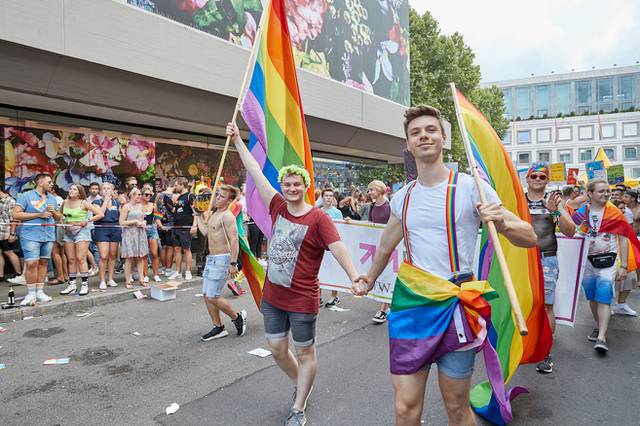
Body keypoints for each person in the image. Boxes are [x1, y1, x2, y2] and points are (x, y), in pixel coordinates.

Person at [352, 105, 537, 425]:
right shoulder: (403, 197)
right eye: (415, 132)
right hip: (412, 305)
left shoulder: (471, 188)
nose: (423, 135)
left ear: (444, 138)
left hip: (457, 306)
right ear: (408, 145)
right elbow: (385, 246)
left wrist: (503, 224)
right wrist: (368, 278)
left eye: (430, 130)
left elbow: (529, 236)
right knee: (405, 407)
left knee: (455, 406)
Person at [228, 122, 361, 426]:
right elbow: (256, 173)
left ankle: (298, 407)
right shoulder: (277, 206)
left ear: (305, 185)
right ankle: (303, 383)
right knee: (276, 349)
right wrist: (237, 141)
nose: (290, 189)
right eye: (286, 184)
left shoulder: (318, 218)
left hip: (302, 298)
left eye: (296, 184)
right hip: (274, 296)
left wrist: (354, 275)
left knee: (305, 352)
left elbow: (339, 248)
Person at [524, 163, 576, 374]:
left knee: (546, 307)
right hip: (521, 260)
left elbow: (570, 230)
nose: (537, 179)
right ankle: (523, 346)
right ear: (527, 179)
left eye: (542, 177)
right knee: (522, 304)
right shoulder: (518, 201)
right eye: (534, 176)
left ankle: (545, 353)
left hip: (546, 259)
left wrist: (556, 212)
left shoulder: (555, 202)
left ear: (547, 180)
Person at [573, 180, 634, 353]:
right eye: (601, 191)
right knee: (592, 297)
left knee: (604, 296)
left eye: (607, 191)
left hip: (608, 261)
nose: (606, 194)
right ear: (590, 193)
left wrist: (623, 266)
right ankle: (598, 326)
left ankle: (601, 337)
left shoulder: (615, 213)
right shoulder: (580, 213)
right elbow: (572, 232)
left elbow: (623, 238)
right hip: (587, 262)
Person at [199, 184, 247, 341]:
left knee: (212, 296)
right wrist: (197, 215)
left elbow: (234, 240)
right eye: (217, 194)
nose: (216, 198)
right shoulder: (214, 214)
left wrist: (233, 263)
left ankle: (237, 317)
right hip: (211, 259)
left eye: (220, 196)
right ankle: (218, 327)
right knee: (207, 295)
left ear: (229, 201)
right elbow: (206, 231)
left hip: (222, 259)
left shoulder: (227, 216)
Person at [13, 174, 63, 306]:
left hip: (48, 234)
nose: (52, 184)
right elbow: (16, 214)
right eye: (49, 182)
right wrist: (39, 214)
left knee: (44, 262)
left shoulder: (52, 198)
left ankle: (40, 291)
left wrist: (55, 213)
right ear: (40, 182)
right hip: (30, 235)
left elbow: (59, 218)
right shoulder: (26, 196)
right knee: (31, 263)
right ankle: (30, 293)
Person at [58, 184, 104, 296]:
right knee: (71, 259)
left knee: (81, 258)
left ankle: (84, 285)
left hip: (82, 231)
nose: (71, 190)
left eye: (74, 189)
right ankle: (72, 285)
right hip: (68, 231)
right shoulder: (65, 202)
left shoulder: (84, 202)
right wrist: (62, 220)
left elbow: (100, 214)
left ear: (79, 192)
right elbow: (59, 214)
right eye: (70, 188)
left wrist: (87, 220)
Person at [361, 180, 393, 324]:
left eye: (372, 190)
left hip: (390, 247)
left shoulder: (390, 206)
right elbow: (370, 225)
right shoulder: (373, 206)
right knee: (383, 275)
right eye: (369, 190)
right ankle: (389, 304)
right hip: (376, 247)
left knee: (387, 275)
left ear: (380, 190)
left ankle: (383, 309)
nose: (370, 193)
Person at [613, 189, 639, 316]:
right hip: (612, 251)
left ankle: (621, 304)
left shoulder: (627, 215)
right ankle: (607, 306)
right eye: (620, 208)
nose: (623, 210)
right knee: (611, 281)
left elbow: (629, 233)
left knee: (630, 277)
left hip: (628, 250)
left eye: (624, 208)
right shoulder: (608, 219)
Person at [92, 182, 122, 290]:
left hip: (115, 228)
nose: (106, 190)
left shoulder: (116, 202)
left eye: (108, 188)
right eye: (104, 188)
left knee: (113, 255)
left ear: (112, 190)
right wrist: (105, 201)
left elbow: (120, 217)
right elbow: (100, 214)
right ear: (100, 191)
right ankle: (102, 280)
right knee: (103, 256)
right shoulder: (97, 201)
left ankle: (110, 279)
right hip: (101, 228)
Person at [167, 177, 197, 281]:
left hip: (186, 227)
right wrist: (169, 204)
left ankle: (188, 271)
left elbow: (195, 211)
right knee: (176, 249)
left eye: (176, 185)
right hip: (176, 227)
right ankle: (178, 271)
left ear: (182, 185)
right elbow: (176, 210)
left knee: (186, 249)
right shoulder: (179, 197)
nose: (175, 187)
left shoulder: (190, 196)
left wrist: (194, 225)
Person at [318, 188, 343, 308]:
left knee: (333, 271)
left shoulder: (337, 212)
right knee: (319, 271)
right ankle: (319, 297)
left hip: (332, 245)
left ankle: (334, 296)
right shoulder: (318, 211)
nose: (328, 198)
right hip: (320, 245)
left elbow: (341, 229)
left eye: (330, 196)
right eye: (326, 195)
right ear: (322, 197)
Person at [119, 188, 149, 288]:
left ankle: (141, 278)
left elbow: (143, 219)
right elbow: (121, 222)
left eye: (140, 195)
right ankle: (128, 280)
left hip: (140, 232)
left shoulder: (141, 206)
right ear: (132, 195)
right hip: (129, 233)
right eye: (138, 195)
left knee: (140, 257)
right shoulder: (126, 207)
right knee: (129, 257)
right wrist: (135, 222)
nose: (140, 197)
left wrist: (143, 223)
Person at [0, 189, 23, 282]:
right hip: (1, 231)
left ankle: (18, 273)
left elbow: (14, 219)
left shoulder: (10, 201)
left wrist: (12, 234)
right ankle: (1, 275)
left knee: (9, 252)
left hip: (6, 231)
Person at [141, 184, 162, 283]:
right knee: (144, 254)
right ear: (141, 195)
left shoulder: (153, 205)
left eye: (150, 195)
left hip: (153, 228)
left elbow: (157, 216)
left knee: (154, 253)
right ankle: (145, 275)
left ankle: (156, 274)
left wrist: (160, 224)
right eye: (146, 194)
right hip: (142, 230)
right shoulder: (138, 206)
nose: (148, 196)